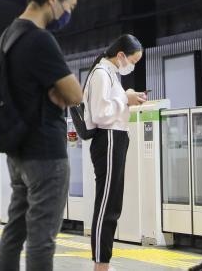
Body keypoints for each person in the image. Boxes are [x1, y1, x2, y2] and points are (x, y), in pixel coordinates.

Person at [0, 0, 85, 271]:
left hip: (18, 151)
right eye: (69, 5)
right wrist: (59, 92)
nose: (68, 12)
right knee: (42, 238)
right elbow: (75, 94)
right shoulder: (39, 39)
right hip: (45, 153)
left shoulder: (8, 35)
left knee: (15, 230)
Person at [84, 34, 146, 271]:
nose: (132, 66)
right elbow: (100, 114)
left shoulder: (110, 73)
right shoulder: (102, 73)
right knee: (107, 206)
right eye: (133, 61)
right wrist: (125, 99)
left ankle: (103, 264)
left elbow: (110, 104)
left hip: (116, 138)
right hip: (108, 138)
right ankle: (101, 265)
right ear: (120, 55)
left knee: (112, 204)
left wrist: (125, 97)